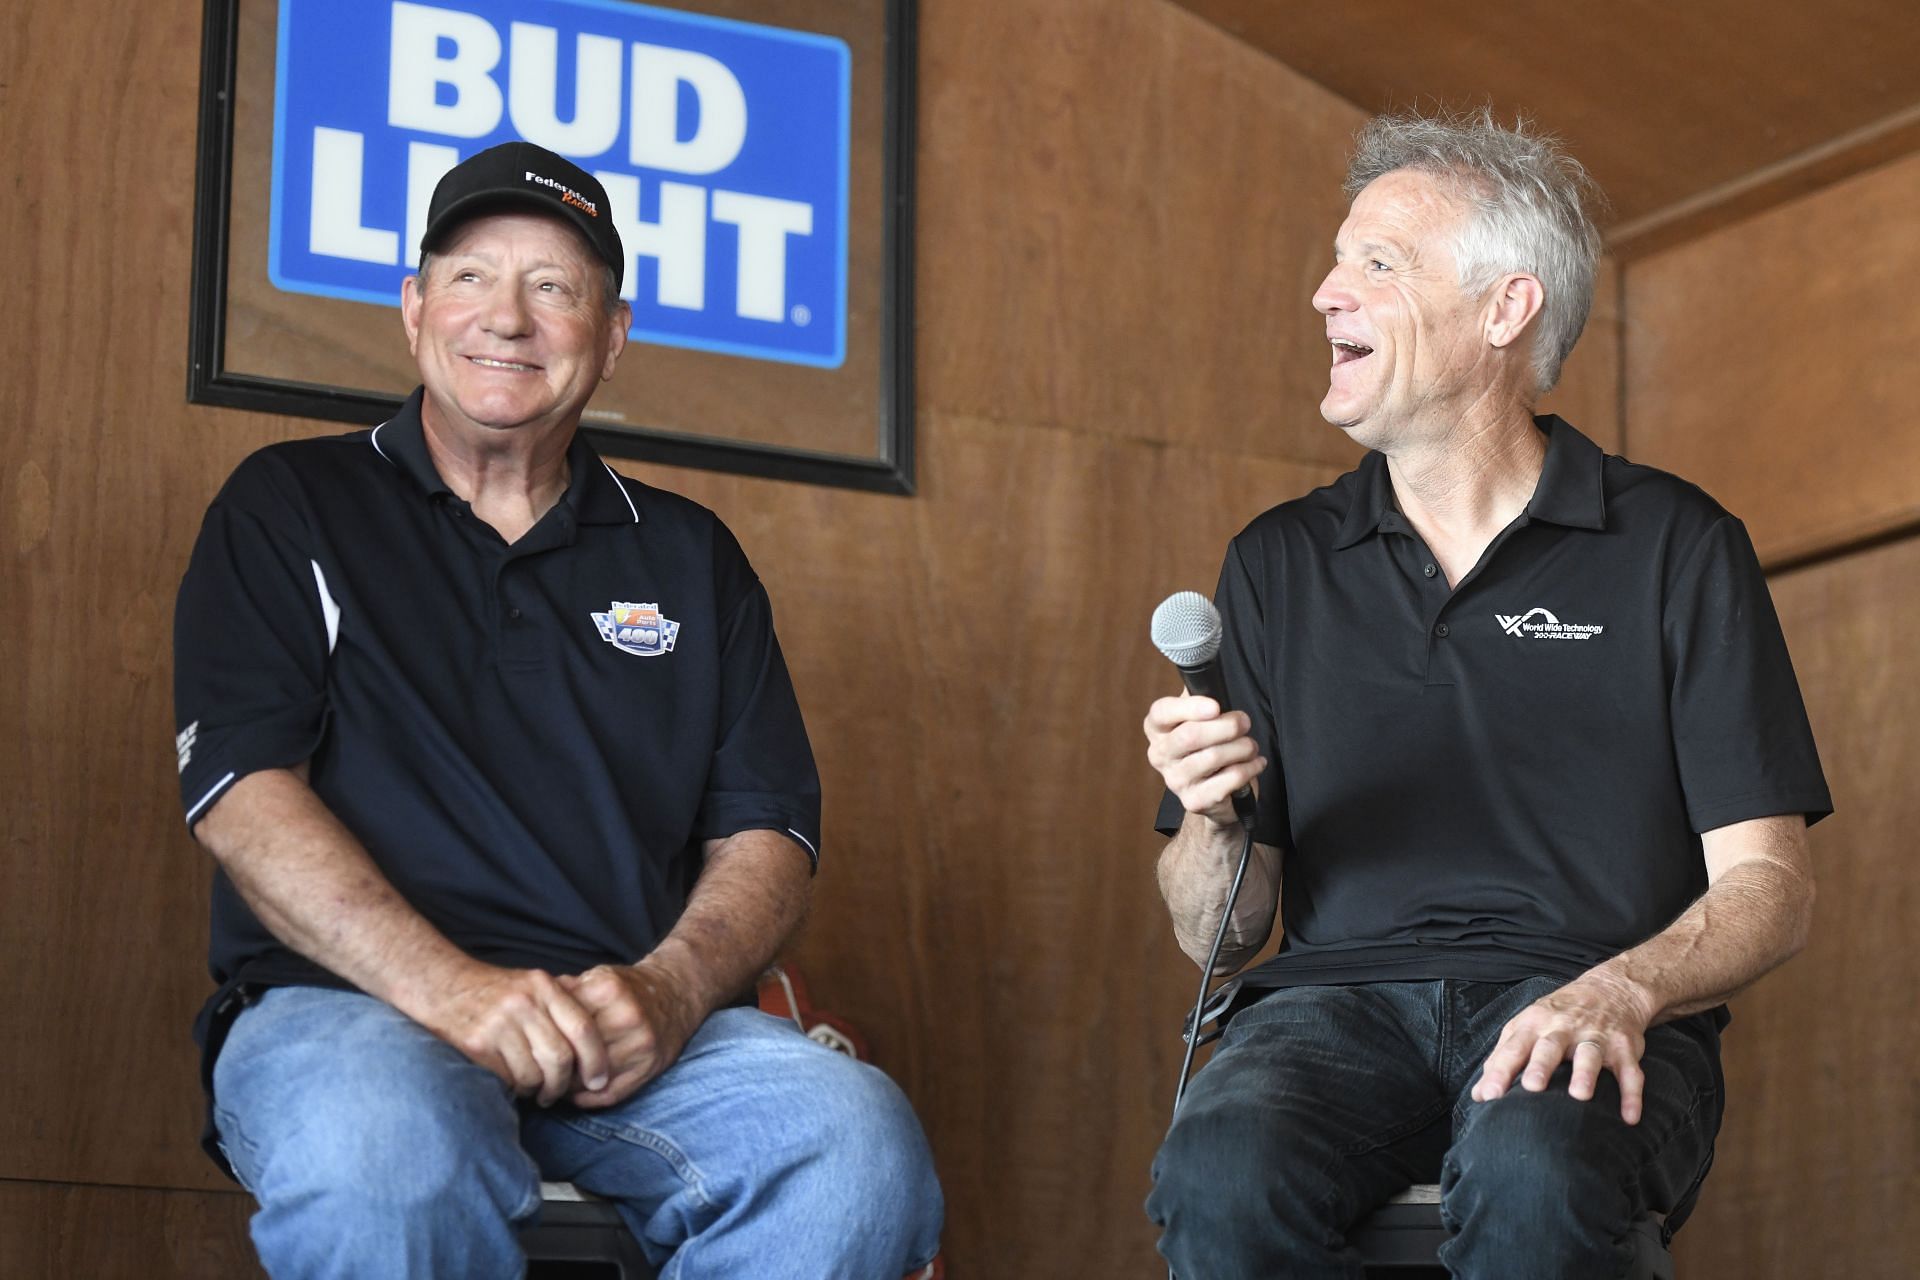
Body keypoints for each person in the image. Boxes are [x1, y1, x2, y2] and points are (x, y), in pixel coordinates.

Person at [173, 141, 943, 1279]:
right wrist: (456, 992)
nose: (509, 316)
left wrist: (668, 994)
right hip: (354, 1009)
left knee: (853, 1144)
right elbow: (241, 794)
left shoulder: (691, 555)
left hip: (625, 1028)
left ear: (614, 334)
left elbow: (769, 833)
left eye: (556, 286)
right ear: (414, 305)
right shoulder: (289, 506)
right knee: (389, 1155)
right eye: (473, 275)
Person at [1142, 109, 1829, 1278]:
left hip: (1592, 990)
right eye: (1337, 258)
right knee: (1218, 1168)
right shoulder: (1276, 562)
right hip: (1333, 1007)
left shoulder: (1675, 544)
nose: (1324, 292)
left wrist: (1625, 987)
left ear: (1505, 309)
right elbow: (1224, 930)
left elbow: (1770, 885)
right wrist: (1212, 815)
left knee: (1531, 1162)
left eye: (1377, 263)